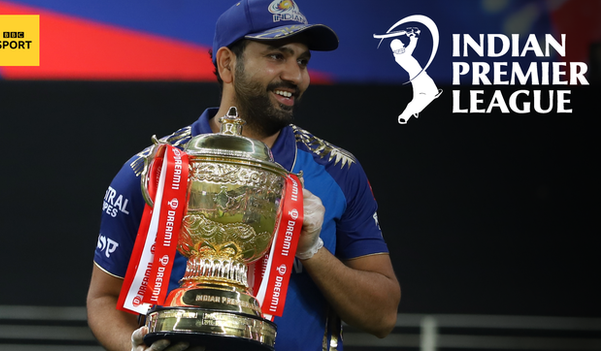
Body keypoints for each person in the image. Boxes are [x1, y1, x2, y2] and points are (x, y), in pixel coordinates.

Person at [86, 1, 401, 350]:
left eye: (302, 60)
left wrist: (313, 251)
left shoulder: (339, 172)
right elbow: (103, 299)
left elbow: (382, 316)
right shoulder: (154, 170)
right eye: (277, 56)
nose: (295, 76)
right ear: (227, 63)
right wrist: (135, 349)